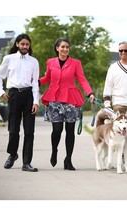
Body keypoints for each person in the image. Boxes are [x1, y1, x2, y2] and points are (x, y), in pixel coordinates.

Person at [39, 38, 95, 171]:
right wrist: (34, 82)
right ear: (57, 48)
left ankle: (68, 159)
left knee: (70, 131)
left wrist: (90, 93)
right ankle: (54, 150)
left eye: (67, 47)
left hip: (71, 99)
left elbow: (82, 79)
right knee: (57, 129)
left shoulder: (76, 63)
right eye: (62, 47)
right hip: (54, 98)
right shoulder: (51, 62)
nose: (65, 49)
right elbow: (47, 78)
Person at [0, 33, 40, 172]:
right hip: (13, 95)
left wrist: (36, 101)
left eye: (27, 44)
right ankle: (12, 154)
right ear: (17, 44)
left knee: (29, 131)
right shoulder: (8, 59)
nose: (25, 46)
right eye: (22, 44)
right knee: (13, 130)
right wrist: (1, 92)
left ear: (29, 46)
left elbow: (35, 83)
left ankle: (26, 163)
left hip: (28, 96)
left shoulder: (34, 61)